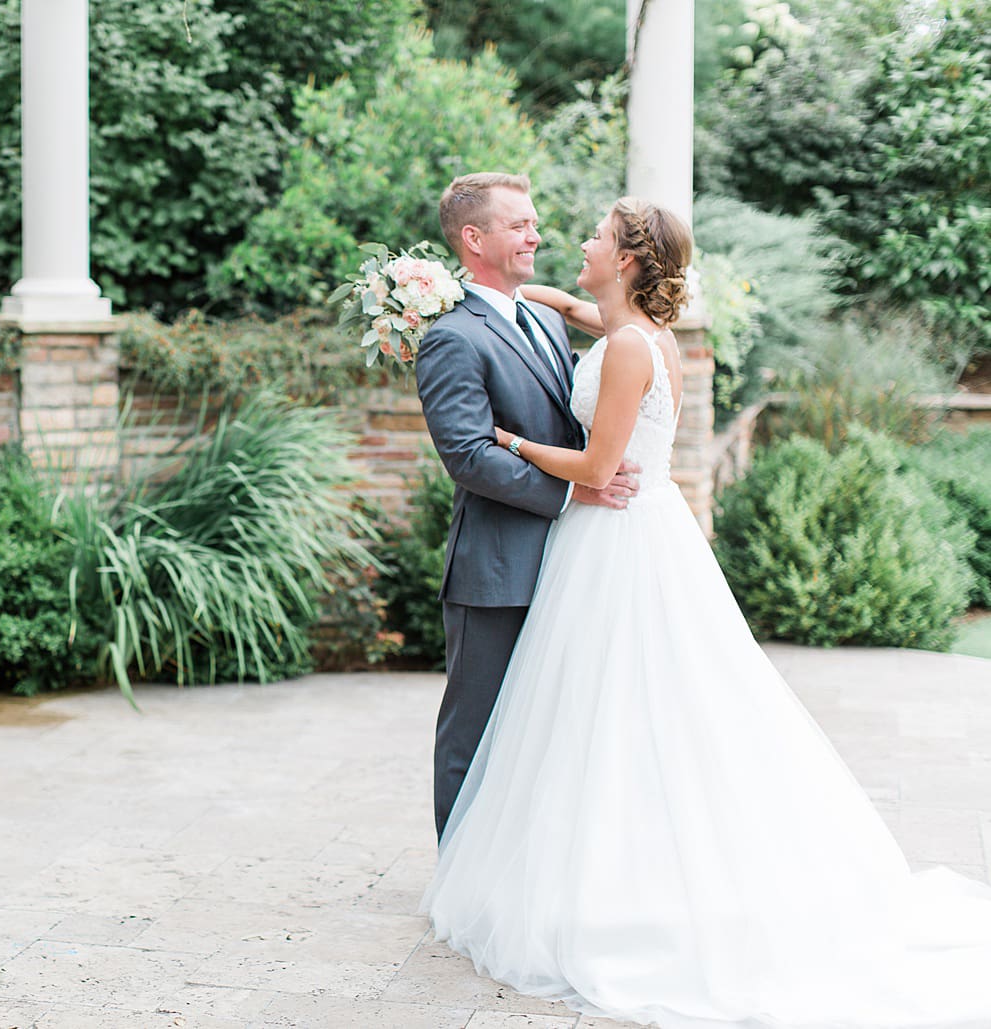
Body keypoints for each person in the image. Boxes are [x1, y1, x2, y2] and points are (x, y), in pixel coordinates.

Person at [423, 196, 991, 1028]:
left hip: (611, 537)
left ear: (623, 259)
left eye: (593, 236)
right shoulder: (635, 331)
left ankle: (592, 883)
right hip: (631, 536)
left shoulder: (623, 347)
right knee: (606, 714)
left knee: (603, 715)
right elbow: (575, 312)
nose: (570, 242)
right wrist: (501, 297)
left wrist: (511, 442)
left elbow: (596, 462)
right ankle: (571, 870)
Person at [415, 172, 640, 842]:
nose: (536, 235)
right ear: (473, 238)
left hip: (574, 558)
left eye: (533, 222)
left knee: (548, 727)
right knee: (476, 726)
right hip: (497, 567)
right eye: (519, 224)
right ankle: (457, 869)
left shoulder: (542, 317)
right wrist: (576, 488)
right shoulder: (452, 337)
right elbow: (467, 456)